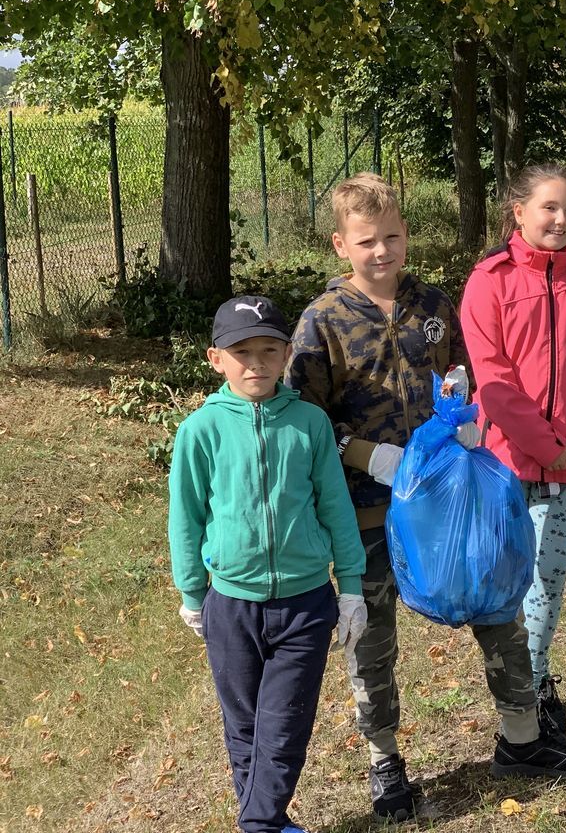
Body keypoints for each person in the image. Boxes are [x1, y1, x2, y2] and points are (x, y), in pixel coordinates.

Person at [286, 173, 566, 821]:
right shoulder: (322, 322)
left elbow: (464, 376)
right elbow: (303, 418)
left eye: (392, 237)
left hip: (447, 507)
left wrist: (468, 419)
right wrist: (364, 454)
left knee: (497, 606)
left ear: (405, 235)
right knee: (372, 638)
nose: (382, 251)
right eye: (366, 241)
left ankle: (522, 740)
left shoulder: (432, 304)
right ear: (341, 244)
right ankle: (384, 760)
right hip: (367, 510)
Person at [168, 294, 368, 833]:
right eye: (242, 352)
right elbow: (186, 518)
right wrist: (192, 594)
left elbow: (335, 506)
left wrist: (350, 587)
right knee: (245, 726)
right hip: (231, 605)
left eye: (268, 350)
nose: (255, 363)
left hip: (305, 604)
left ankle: (257, 825)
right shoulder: (200, 431)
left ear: (286, 355)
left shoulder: (310, 424)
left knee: (283, 726)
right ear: (217, 359)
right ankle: (268, 821)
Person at [460, 164, 566, 736]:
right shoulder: (491, 280)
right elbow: (493, 378)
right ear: (519, 212)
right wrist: (542, 444)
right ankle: (521, 695)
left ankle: (533, 685)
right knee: (509, 583)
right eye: (549, 207)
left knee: (547, 580)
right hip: (505, 461)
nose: (561, 219)